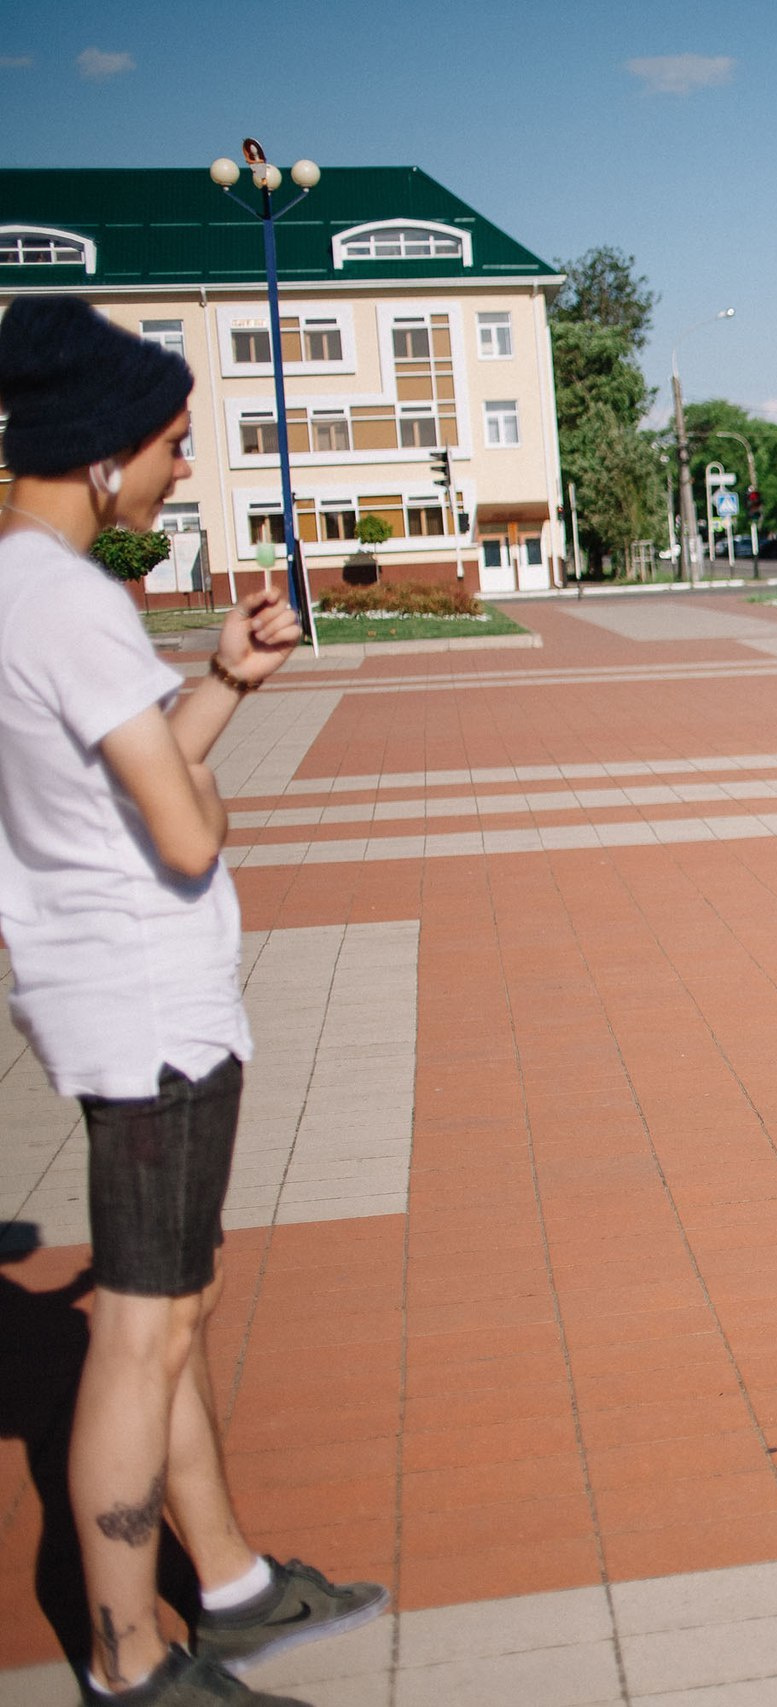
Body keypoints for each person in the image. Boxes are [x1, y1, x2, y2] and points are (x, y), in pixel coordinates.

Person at [0, 297, 385, 1705]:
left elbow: (120, 772)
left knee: (170, 1303)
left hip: (98, 991)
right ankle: (126, 1648)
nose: (177, 469)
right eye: (167, 443)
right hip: (149, 1005)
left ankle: (221, 1581)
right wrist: (204, 787)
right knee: (142, 1322)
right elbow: (178, 832)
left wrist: (222, 681)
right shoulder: (73, 604)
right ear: (98, 452)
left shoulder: (10, 589)